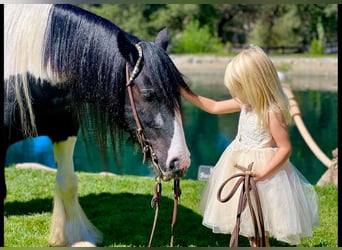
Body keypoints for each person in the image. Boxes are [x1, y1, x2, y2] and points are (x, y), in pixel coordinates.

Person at [180, 45, 319, 246]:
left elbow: (285, 148)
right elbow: (214, 106)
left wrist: (262, 174)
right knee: (247, 224)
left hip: (263, 174)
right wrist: (184, 91)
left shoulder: (271, 111)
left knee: (259, 224)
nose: (236, 92)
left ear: (255, 84)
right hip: (239, 165)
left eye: (239, 87)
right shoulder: (245, 103)